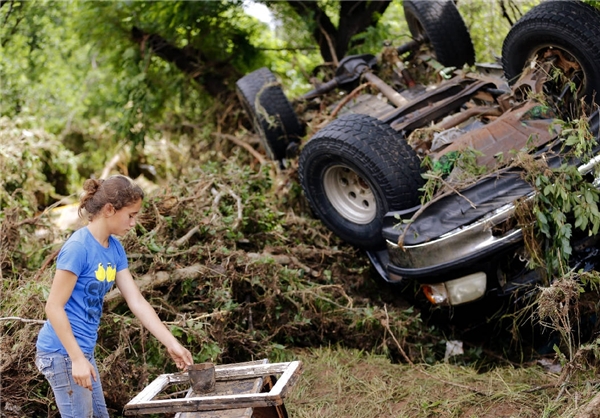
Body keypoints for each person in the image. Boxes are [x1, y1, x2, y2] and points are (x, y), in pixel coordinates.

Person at [35, 175, 194, 418]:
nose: (134, 223)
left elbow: (136, 300)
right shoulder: (78, 247)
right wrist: (77, 359)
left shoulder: (115, 249)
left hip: (82, 351)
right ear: (110, 209)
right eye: (131, 215)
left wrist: (172, 344)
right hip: (62, 352)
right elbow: (53, 307)